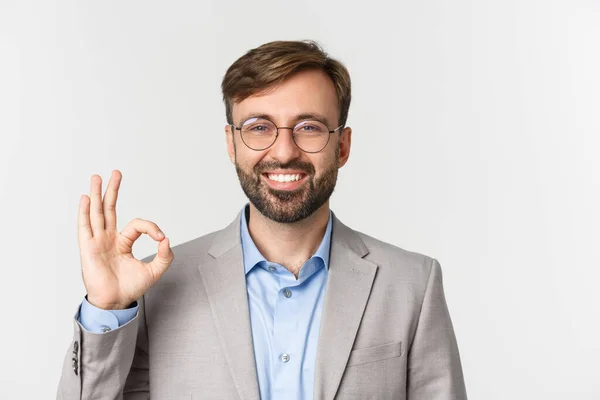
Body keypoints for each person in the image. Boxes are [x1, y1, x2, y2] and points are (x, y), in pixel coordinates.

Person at [57, 40, 467, 400]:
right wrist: (106, 309)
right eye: (259, 127)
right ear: (231, 144)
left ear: (342, 146)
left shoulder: (413, 284)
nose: (284, 151)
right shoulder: (153, 290)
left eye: (309, 127)